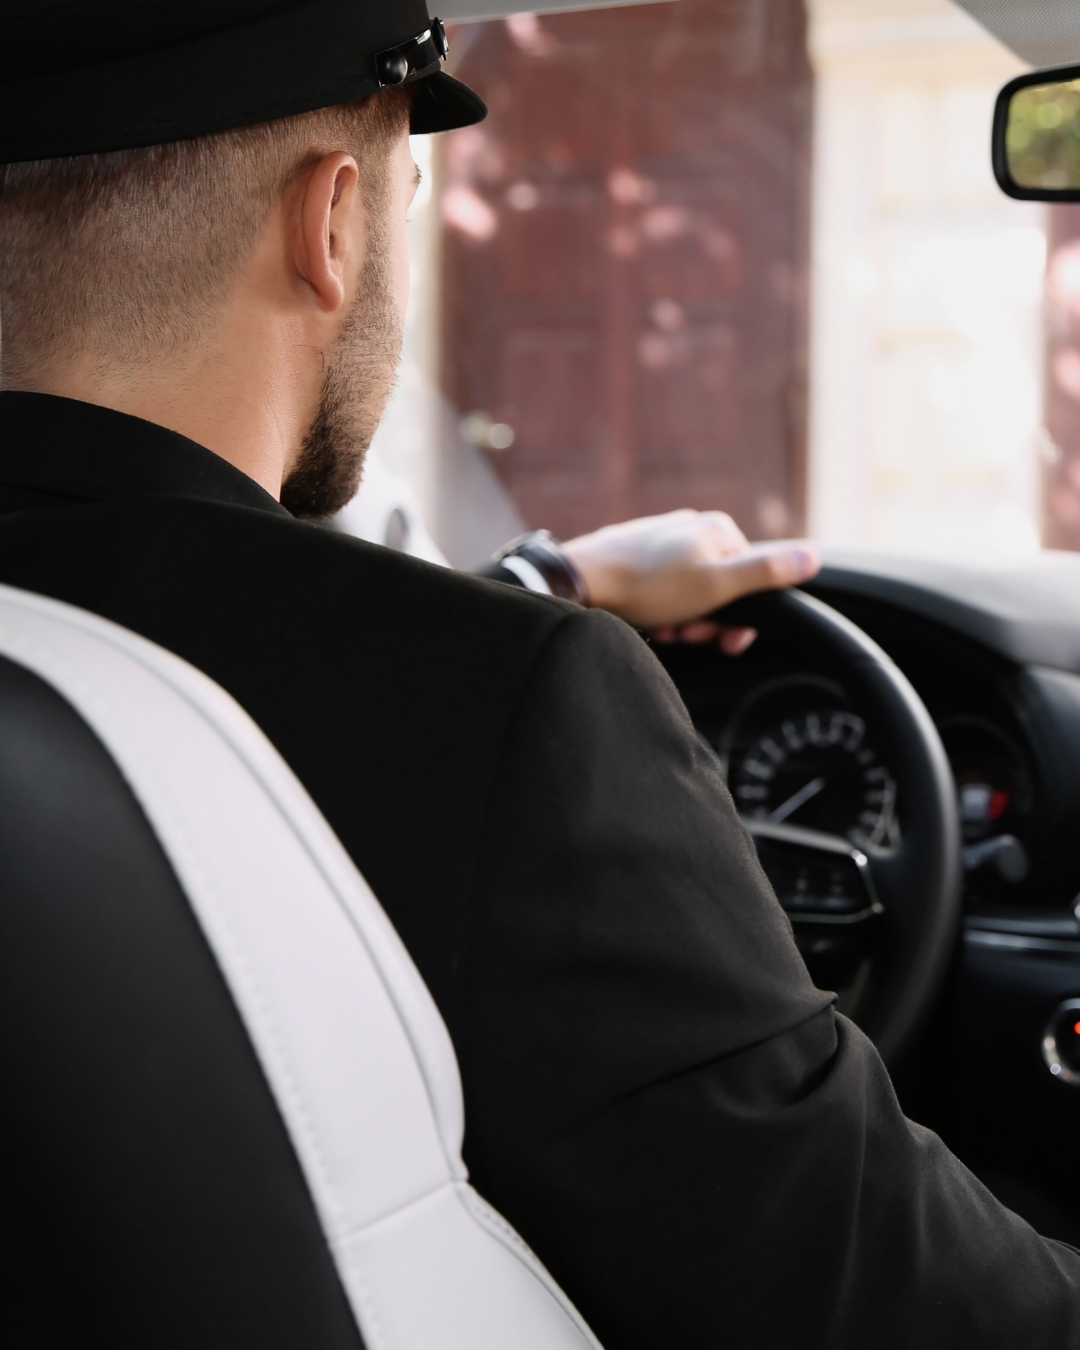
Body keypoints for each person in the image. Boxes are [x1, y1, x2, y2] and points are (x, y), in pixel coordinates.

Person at [0, 4, 1077, 1348]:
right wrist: (541, 645)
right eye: (406, 188)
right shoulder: (517, 704)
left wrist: (551, 581)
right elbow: (895, 1300)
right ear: (329, 226)